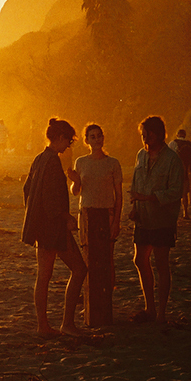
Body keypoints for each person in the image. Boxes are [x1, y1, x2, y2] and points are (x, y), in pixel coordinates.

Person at [21, 118, 87, 337]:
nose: (68, 146)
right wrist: (65, 217)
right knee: (79, 269)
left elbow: (27, 190)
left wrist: (34, 217)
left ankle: (43, 326)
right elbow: (51, 199)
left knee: (44, 275)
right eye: (67, 142)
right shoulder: (51, 161)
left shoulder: (39, 159)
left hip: (42, 227)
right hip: (54, 228)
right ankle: (67, 323)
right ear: (60, 138)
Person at [67, 124, 123, 326]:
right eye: (92, 137)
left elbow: (119, 196)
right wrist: (75, 180)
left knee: (107, 259)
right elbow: (76, 191)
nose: (97, 139)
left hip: (106, 213)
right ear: (87, 140)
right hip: (87, 214)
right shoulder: (81, 162)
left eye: (99, 136)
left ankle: (106, 301)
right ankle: (91, 302)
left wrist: (116, 220)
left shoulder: (113, 163)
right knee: (88, 259)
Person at [130, 116, 183, 325]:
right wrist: (135, 206)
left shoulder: (172, 159)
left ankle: (161, 312)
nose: (145, 137)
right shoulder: (140, 156)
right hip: (143, 218)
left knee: (161, 264)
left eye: (148, 133)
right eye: (143, 133)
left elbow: (175, 191)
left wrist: (150, 198)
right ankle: (149, 308)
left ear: (158, 134)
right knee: (139, 260)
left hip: (162, 219)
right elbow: (136, 183)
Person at [169, 128, 191, 219]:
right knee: (185, 193)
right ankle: (185, 212)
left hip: (175, 171)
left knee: (173, 193)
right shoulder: (190, 144)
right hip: (186, 171)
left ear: (177, 134)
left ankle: (173, 213)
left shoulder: (173, 143)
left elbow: (168, 157)